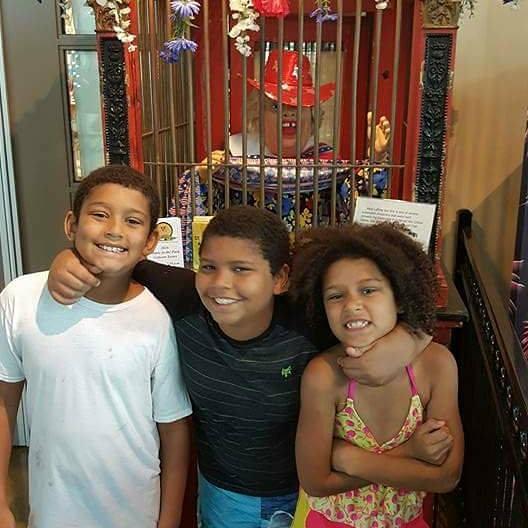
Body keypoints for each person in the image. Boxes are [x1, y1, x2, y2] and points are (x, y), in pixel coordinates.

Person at [47, 205, 431, 528]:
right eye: (209, 266)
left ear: (280, 278)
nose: (220, 283)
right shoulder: (183, 299)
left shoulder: (307, 319)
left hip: (306, 498)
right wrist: (68, 259)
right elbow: (118, 261)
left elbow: (384, 307)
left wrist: (408, 339)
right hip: (221, 496)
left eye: (241, 269)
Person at [0, 165, 192, 528]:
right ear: (71, 224)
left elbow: (174, 430)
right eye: (100, 214)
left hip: (135, 513)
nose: (114, 229)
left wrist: (168, 521)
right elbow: (3, 404)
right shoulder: (20, 299)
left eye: (132, 221)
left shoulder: (156, 319)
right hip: (53, 512)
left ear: (150, 241)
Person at [289, 223, 464, 528]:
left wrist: (348, 459)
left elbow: (446, 476)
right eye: (335, 296)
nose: (352, 304)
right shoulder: (323, 375)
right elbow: (315, 481)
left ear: (399, 297)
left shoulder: (437, 365)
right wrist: (410, 452)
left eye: (368, 290)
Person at [174, 49, 391, 261]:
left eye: (299, 105)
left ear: (312, 118)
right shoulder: (234, 154)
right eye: (276, 106)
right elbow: (206, 218)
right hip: (248, 267)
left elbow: (357, 214)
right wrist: (202, 177)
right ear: (258, 115)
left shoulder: (326, 162)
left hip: (309, 269)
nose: (288, 112)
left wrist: (376, 160)